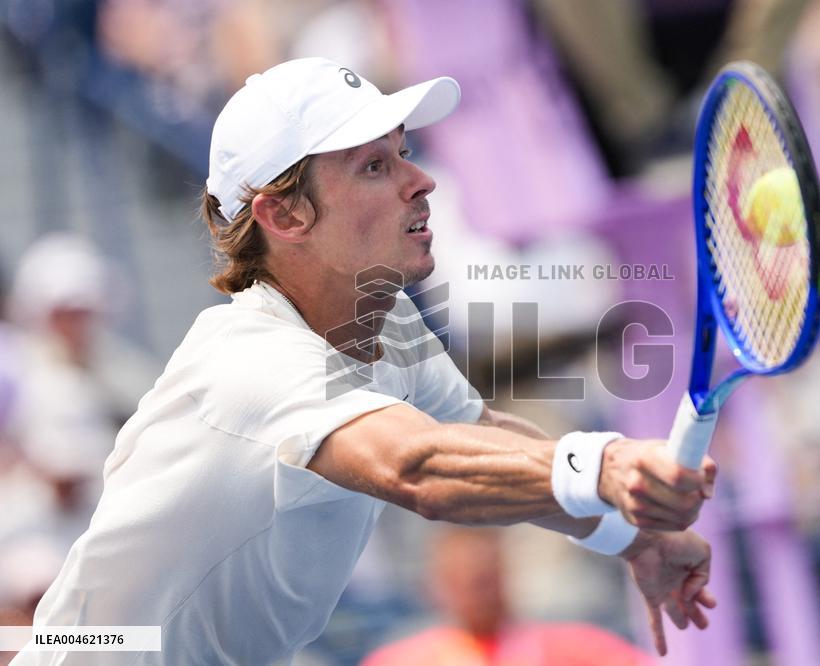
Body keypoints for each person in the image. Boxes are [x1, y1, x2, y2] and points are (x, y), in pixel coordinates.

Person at [14, 58, 716, 665]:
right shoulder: (248, 364)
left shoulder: (387, 318)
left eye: (404, 151)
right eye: (375, 166)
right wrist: (605, 465)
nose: (421, 181)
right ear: (284, 217)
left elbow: (479, 436)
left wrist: (629, 535)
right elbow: (418, 467)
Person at [362, 527, 669, 666]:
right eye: (462, 581)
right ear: (439, 585)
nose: (476, 593)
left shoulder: (577, 647)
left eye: (484, 579)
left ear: (504, 573)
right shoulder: (401, 660)